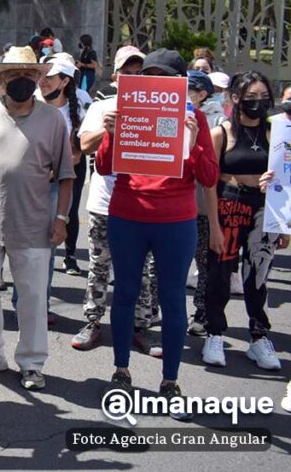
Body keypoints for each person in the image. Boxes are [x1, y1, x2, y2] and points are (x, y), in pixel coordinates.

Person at [95, 49, 218, 417]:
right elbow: (103, 167)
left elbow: (209, 178)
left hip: (175, 221)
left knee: (172, 297)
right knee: (126, 292)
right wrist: (110, 133)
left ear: (181, 84)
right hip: (127, 216)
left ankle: (170, 380)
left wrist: (195, 144)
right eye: (150, 75)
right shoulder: (125, 113)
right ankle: (121, 370)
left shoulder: (195, 118)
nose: (156, 83)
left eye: (165, 77)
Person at [0, 46, 74, 391]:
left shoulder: (53, 119)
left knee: (32, 299)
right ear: (2, 79)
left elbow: (66, 175)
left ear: (38, 79)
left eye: (28, 76)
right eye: (13, 76)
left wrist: (62, 218)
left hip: (35, 225)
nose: (21, 82)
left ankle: (31, 363)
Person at [72, 46, 162, 355]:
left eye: (141, 72)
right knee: (99, 266)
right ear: (116, 76)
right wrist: (105, 129)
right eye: (128, 71)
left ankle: (140, 327)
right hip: (104, 202)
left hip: (144, 204)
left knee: (144, 270)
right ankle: (93, 322)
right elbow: (83, 145)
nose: (134, 77)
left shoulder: (158, 108)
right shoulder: (102, 106)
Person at [201, 71, 286, 371]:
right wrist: (213, 225)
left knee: (258, 275)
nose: (258, 103)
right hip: (228, 206)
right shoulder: (220, 134)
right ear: (235, 98)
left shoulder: (277, 134)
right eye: (251, 98)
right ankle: (214, 332)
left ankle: (259, 336)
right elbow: (209, 183)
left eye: (264, 97)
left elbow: (287, 177)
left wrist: (284, 221)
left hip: (264, 210)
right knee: (220, 273)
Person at [37, 57, 87, 279]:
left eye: (49, 77)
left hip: (55, 186)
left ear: (64, 82)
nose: (42, 81)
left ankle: (41, 305)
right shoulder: (31, 103)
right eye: (41, 76)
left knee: (46, 247)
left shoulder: (77, 113)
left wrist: (52, 171)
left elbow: (75, 156)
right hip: (27, 183)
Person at [186, 69, 223, 338]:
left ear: (201, 94)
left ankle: (201, 313)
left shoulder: (217, 119)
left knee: (205, 262)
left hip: (204, 201)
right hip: (178, 201)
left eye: (189, 89)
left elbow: (211, 174)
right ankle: (153, 312)